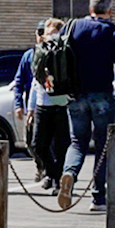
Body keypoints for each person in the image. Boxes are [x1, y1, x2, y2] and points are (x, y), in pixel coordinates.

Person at [57, 0, 115, 211]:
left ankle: (69, 174)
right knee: (103, 146)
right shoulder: (112, 32)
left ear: (90, 9)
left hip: (75, 95)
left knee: (77, 142)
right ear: (110, 11)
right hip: (102, 95)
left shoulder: (72, 26)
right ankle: (98, 198)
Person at [29, 19, 72, 191]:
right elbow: (35, 82)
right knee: (38, 145)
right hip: (44, 104)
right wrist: (31, 108)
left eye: (49, 32)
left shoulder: (62, 51)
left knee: (59, 146)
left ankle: (59, 182)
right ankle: (54, 175)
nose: (45, 35)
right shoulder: (39, 52)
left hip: (60, 104)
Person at [11, 20, 48, 185]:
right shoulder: (29, 56)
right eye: (38, 33)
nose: (40, 36)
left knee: (47, 141)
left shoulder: (54, 53)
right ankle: (40, 166)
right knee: (31, 142)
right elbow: (19, 82)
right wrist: (19, 105)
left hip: (48, 106)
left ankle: (49, 171)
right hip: (32, 107)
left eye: (43, 32)